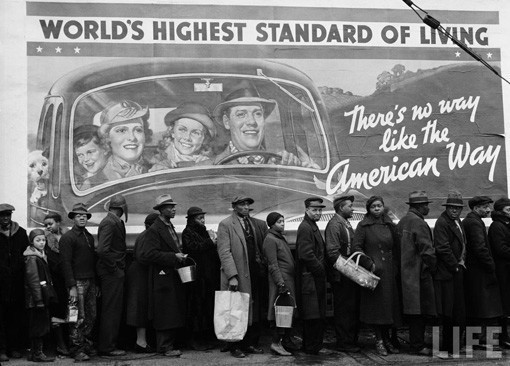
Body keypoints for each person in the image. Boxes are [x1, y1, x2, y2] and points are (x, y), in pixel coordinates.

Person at [212, 83, 319, 168]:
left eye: (257, 114)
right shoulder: (207, 168)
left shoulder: (281, 165)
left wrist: (297, 171)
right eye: (241, 114)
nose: (251, 122)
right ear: (227, 122)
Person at [217, 195, 268, 358]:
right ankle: (234, 346)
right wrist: (232, 276)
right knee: (235, 309)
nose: (246, 207)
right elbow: (224, 252)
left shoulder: (252, 223)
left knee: (251, 308)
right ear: (234, 207)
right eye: (242, 204)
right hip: (238, 273)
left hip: (253, 272)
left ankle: (249, 344)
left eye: (247, 204)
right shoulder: (225, 224)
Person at [138, 194, 187, 357]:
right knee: (165, 312)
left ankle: (168, 345)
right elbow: (149, 254)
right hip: (162, 276)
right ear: (161, 210)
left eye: (173, 206)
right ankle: (165, 347)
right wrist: (173, 257)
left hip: (170, 275)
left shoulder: (168, 226)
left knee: (171, 310)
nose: (174, 209)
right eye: (170, 207)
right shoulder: (155, 229)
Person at [352, 196, 401, 356]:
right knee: (377, 309)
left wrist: (395, 266)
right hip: (374, 273)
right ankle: (379, 340)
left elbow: (396, 247)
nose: (377, 209)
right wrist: (370, 264)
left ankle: (387, 339)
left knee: (389, 308)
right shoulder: (363, 226)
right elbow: (356, 248)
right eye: (373, 206)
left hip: (389, 272)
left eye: (379, 206)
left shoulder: (389, 225)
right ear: (369, 209)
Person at [396, 191, 436, 356]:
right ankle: (418, 345)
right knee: (420, 311)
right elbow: (427, 251)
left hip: (405, 273)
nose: (427, 207)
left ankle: (416, 343)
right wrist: (433, 267)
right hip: (418, 274)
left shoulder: (403, 221)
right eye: (426, 205)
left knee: (413, 311)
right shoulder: (418, 223)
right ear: (419, 206)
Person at [59, 203, 97, 362]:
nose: (82, 217)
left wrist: (95, 284)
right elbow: (65, 263)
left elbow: (92, 261)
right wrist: (72, 286)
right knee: (76, 317)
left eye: (85, 216)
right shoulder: (68, 238)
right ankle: (76, 349)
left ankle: (85, 344)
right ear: (73, 218)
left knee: (91, 316)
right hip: (76, 284)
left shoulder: (88, 236)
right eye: (78, 215)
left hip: (90, 281)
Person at [463, 196, 502, 349]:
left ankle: (475, 341)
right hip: (480, 272)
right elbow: (480, 248)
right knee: (485, 309)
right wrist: (491, 266)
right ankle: (484, 341)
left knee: (477, 308)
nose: (488, 210)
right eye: (485, 207)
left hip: (475, 272)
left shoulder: (470, 221)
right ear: (475, 208)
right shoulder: (474, 223)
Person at [325, 195, 361, 353]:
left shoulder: (346, 223)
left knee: (351, 308)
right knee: (344, 310)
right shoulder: (334, 224)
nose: (353, 208)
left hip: (349, 274)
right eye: (350, 206)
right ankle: (344, 343)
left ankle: (350, 340)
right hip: (342, 275)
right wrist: (351, 268)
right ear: (341, 208)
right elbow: (332, 252)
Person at [181, 207, 220, 350]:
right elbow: (193, 248)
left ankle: (206, 337)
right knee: (196, 308)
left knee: (206, 307)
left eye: (203, 218)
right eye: (199, 218)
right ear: (192, 220)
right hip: (197, 277)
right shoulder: (188, 232)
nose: (203, 221)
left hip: (207, 276)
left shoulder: (203, 231)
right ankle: (195, 339)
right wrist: (211, 242)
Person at [433, 191, 467, 354]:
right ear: (447, 208)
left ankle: (455, 345)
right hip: (448, 273)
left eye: (458, 208)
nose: (454, 210)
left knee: (457, 310)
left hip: (457, 270)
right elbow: (442, 248)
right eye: (452, 207)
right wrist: (455, 266)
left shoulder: (456, 220)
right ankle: (449, 346)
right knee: (450, 311)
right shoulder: (442, 222)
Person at [262, 212, 298, 356]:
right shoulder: (270, 239)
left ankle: (286, 341)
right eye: (279, 222)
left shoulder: (279, 237)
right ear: (271, 224)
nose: (282, 224)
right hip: (280, 282)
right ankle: (276, 343)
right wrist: (280, 283)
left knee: (287, 312)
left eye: (283, 221)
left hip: (287, 280)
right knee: (280, 313)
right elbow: (272, 264)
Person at [96, 195, 128, 357]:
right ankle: (107, 346)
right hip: (111, 273)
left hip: (113, 272)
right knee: (111, 310)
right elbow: (102, 250)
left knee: (113, 309)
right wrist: (115, 269)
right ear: (122, 208)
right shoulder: (109, 222)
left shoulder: (114, 221)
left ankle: (109, 344)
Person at [295, 197, 327, 355]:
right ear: (306, 210)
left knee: (314, 314)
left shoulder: (310, 225)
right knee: (312, 315)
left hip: (312, 276)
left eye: (320, 210)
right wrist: (320, 269)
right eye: (314, 210)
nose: (318, 213)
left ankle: (312, 346)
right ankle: (311, 347)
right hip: (311, 277)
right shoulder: (306, 227)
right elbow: (306, 254)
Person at [125, 213, 159, 353]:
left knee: (140, 307)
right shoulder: (147, 236)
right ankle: (141, 342)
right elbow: (143, 256)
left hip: (138, 273)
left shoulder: (143, 235)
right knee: (140, 308)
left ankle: (141, 341)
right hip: (140, 274)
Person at [0, 203, 29, 362]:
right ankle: (2, 349)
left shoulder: (21, 233)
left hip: (17, 283)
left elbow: (26, 256)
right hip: (1, 284)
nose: (5, 218)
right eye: (2, 215)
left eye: (7, 215)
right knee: (1, 318)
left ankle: (15, 347)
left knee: (15, 316)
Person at [24, 229, 56, 363]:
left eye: (43, 240)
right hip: (36, 299)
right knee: (38, 326)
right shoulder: (32, 258)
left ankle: (34, 353)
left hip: (40, 297)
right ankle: (37, 353)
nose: (42, 242)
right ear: (32, 242)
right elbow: (33, 281)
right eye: (38, 240)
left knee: (39, 324)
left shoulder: (40, 256)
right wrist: (38, 300)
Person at [151, 103, 216, 169]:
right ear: (172, 132)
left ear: (204, 139)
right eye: (182, 130)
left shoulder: (211, 164)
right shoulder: (157, 160)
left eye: (196, 133)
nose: (187, 138)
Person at [98, 100, 152, 180]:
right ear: (107, 137)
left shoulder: (158, 169)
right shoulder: (93, 181)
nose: (132, 137)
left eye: (138, 130)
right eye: (122, 130)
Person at [43, 213, 70, 356]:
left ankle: (71, 342)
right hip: (56, 282)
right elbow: (52, 262)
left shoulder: (67, 237)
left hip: (69, 281)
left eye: (50, 223)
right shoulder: (45, 241)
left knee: (71, 312)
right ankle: (60, 344)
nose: (48, 226)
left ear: (58, 223)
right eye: (46, 224)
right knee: (57, 312)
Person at [488, 197, 510, 348]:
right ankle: (504, 337)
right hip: (503, 271)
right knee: (504, 305)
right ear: (500, 211)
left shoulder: (505, 225)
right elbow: (500, 249)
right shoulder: (497, 226)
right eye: (508, 210)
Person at [73, 125, 108, 190]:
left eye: (90, 152)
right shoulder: (82, 177)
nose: (86, 159)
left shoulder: (110, 175)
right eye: (80, 155)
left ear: (104, 149)